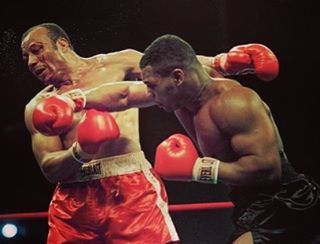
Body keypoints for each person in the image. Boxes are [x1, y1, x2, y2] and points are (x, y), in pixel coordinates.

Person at [22, 23, 275, 243]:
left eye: (37, 50)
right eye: (26, 58)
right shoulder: (38, 107)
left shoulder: (116, 62)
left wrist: (224, 62)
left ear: (63, 45)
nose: (33, 63)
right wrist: (81, 150)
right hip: (73, 204)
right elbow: (49, 168)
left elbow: (175, 67)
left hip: (130, 189)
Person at [136, 35, 320, 243]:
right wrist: (221, 60)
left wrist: (197, 169)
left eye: (151, 85)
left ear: (178, 78)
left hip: (283, 202)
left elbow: (269, 169)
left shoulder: (234, 103)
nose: (149, 94)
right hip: (248, 204)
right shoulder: (184, 99)